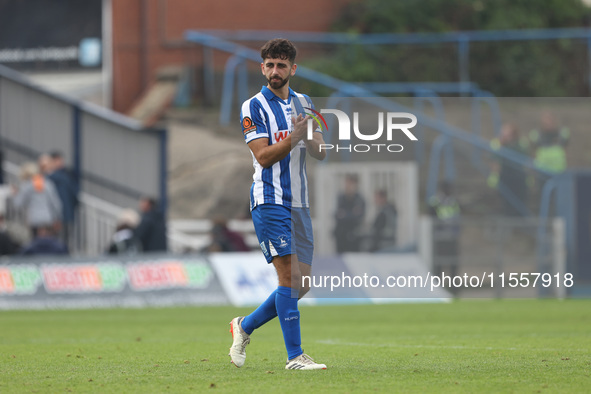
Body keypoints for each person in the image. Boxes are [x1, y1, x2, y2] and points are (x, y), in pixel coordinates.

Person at [229, 38, 327, 371]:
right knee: (288, 277)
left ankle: (244, 326)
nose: (275, 70)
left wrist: (314, 139)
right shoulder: (252, 106)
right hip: (269, 199)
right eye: (269, 64)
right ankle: (295, 356)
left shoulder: (305, 102)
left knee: (303, 284)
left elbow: (320, 150)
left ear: (292, 69)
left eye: (281, 65)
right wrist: (295, 137)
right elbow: (263, 155)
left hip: (299, 202)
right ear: (262, 67)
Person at [12, 162, 62, 239]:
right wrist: (57, 218)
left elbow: (18, 203)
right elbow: (56, 204)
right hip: (47, 219)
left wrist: (15, 194)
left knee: (36, 244)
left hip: (34, 219)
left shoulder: (26, 186)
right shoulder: (48, 184)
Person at [488, 123, 529, 216]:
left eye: (506, 133)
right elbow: (494, 158)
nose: (504, 135)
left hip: (519, 177)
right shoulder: (498, 144)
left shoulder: (521, 143)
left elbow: (524, 157)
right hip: (505, 175)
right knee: (506, 202)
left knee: (520, 200)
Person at [428, 181, 461, 279]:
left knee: (453, 263)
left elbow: (458, 218)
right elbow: (431, 216)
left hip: (451, 237)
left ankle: (453, 287)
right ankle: (438, 286)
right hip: (439, 237)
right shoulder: (435, 202)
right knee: (438, 263)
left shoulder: (453, 202)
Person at [46, 151, 79, 246]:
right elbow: (75, 194)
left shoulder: (50, 178)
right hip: (64, 214)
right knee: (64, 242)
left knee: (57, 242)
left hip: (56, 216)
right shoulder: (66, 177)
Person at [333, 174, 365, 253]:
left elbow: (359, 216)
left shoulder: (360, 199)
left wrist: (345, 215)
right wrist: (351, 214)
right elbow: (337, 215)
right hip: (341, 235)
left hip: (354, 235)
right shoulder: (340, 197)